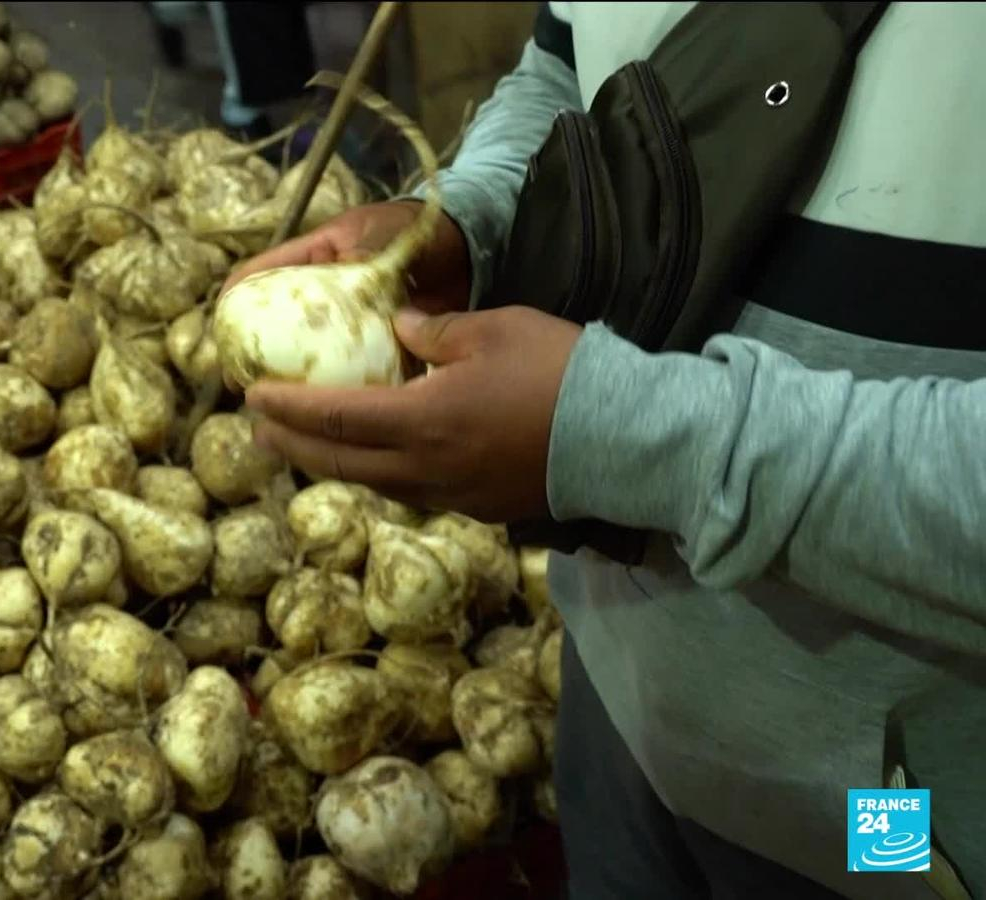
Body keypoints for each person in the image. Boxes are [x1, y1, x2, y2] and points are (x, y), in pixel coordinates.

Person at [223, 3, 985, 899]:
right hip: (617, 695)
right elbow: (563, 67)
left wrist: (619, 434)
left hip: (886, 803)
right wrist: (470, 220)